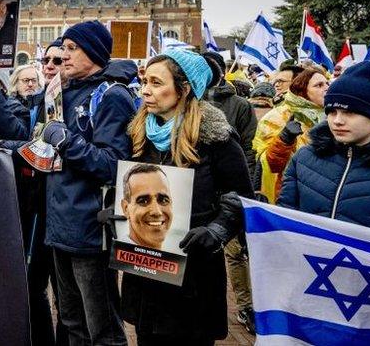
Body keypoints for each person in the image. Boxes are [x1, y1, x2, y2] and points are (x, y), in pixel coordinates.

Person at [120, 50, 252, 345]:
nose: (145, 91)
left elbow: (241, 197)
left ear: (184, 88)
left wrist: (215, 231)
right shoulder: (138, 133)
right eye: (144, 81)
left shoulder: (216, 138)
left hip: (193, 275)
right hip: (146, 271)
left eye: (156, 82)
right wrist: (117, 210)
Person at [35, 20, 137, 345]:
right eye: (63, 48)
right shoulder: (61, 93)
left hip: (91, 231)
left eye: (70, 48)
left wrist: (66, 141)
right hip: (60, 226)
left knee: (102, 329)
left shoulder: (111, 95)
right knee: (72, 323)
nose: (62, 56)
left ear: (93, 51)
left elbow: (113, 165)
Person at [279, 61, 370, 232]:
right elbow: (285, 220)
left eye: (349, 112)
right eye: (332, 112)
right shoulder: (303, 159)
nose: (337, 121)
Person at [202, 51, 258, 333]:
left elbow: (248, 149)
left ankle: (247, 305)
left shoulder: (239, 105)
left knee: (236, 252)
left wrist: (239, 188)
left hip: (229, 195)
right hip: (200, 204)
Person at [253, 66, 328, 202]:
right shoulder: (279, 116)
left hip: (322, 192)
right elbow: (270, 165)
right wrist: (284, 139)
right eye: (319, 85)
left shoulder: (333, 116)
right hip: (287, 192)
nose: (326, 88)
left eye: (327, 83)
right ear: (302, 90)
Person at [120, 163, 173, 250]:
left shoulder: (176, 260)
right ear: (126, 209)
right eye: (143, 201)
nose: (156, 211)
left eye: (163, 200)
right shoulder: (117, 260)